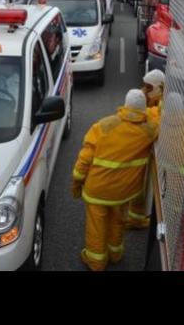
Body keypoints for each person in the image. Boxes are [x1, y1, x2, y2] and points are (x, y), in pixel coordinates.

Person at [72, 89, 159, 271]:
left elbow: (84, 160)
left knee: (97, 225)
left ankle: (96, 262)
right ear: (143, 109)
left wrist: (77, 183)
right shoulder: (150, 130)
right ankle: (115, 254)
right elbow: (157, 117)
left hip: (98, 191)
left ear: (125, 105)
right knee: (117, 221)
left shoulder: (103, 126)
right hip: (123, 192)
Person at [122, 69, 165, 230]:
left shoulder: (162, 104)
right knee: (140, 187)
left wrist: (143, 109)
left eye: (147, 87)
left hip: (152, 153)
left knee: (144, 188)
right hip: (144, 151)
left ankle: (137, 218)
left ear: (158, 88)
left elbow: (155, 120)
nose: (144, 90)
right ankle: (136, 218)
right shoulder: (153, 98)